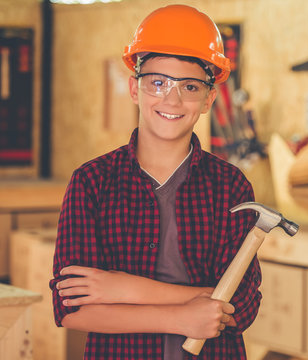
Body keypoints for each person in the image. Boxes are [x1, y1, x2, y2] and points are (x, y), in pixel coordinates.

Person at [49, 4, 262, 360]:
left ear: (209, 98)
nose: (172, 99)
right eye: (158, 82)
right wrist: (182, 315)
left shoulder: (230, 187)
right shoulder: (92, 182)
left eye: (190, 86)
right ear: (135, 89)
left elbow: (241, 304)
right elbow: (71, 307)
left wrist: (122, 288)